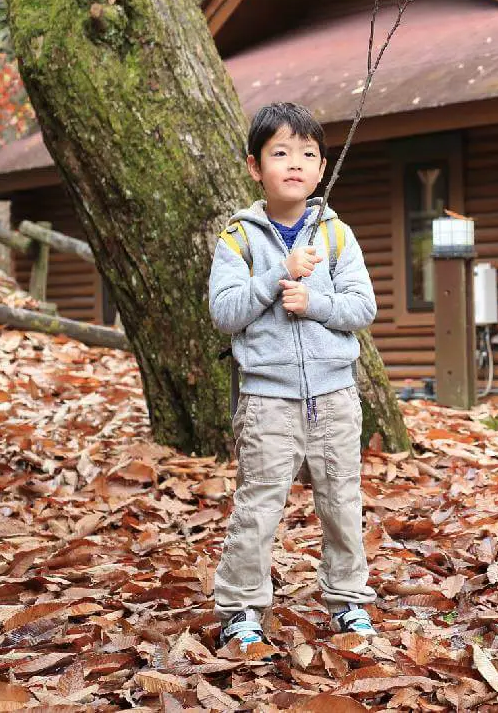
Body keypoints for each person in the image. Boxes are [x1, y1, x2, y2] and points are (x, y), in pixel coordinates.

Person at [208, 101, 379, 655]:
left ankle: (348, 600)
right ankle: (240, 610)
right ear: (256, 167)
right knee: (258, 507)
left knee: (341, 502)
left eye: (307, 153)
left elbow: (363, 308)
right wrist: (277, 276)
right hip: (267, 400)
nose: (295, 163)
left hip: (334, 393)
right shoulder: (238, 238)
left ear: (322, 167)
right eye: (280, 152)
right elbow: (225, 311)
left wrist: (316, 301)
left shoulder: (334, 234)